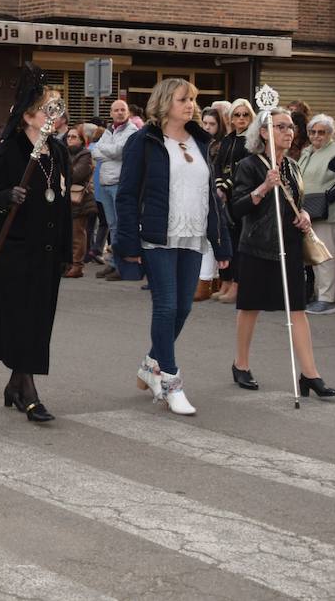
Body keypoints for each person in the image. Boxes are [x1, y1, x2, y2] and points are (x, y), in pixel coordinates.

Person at [114, 79, 230, 415]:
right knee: (165, 306)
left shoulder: (200, 141)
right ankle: (170, 381)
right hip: (157, 235)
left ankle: (152, 364)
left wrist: (222, 245)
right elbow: (126, 194)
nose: (190, 105)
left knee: (184, 308)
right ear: (165, 103)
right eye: (183, 99)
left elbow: (211, 196)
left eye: (193, 99)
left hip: (192, 235)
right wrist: (128, 242)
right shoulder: (143, 141)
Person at [0, 71, 70, 422]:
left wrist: (66, 251)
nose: (53, 117)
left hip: (46, 252)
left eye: (57, 110)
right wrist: (8, 196)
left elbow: (63, 203)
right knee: (20, 321)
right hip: (14, 253)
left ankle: (14, 384)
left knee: (38, 323)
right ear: (27, 115)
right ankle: (28, 391)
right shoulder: (8, 151)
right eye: (47, 110)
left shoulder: (57, 151)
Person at [229, 108, 335, 397]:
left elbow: (297, 202)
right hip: (257, 246)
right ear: (263, 132)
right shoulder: (249, 165)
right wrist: (264, 187)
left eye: (290, 127)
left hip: (288, 245)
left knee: (298, 309)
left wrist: (304, 214)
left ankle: (310, 374)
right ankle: (241, 364)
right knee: (250, 307)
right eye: (280, 127)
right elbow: (236, 208)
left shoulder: (293, 166)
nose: (289, 132)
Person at [299, 114, 335, 315]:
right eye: (313, 132)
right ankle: (320, 295)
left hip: (328, 213)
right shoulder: (308, 152)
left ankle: (327, 299)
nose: (316, 136)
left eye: (321, 132)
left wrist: (328, 198)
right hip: (309, 211)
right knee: (314, 256)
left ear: (330, 134)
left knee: (325, 257)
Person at [210, 98, 253, 303]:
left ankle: (238, 284)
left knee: (238, 242)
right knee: (225, 238)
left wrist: (226, 186)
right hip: (224, 195)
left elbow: (244, 167)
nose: (241, 118)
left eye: (245, 114)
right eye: (237, 115)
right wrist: (219, 185)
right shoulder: (228, 139)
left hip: (241, 194)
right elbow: (218, 164)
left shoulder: (252, 141)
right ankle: (225, 281)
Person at [90, 99, 138, 280]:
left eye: (122, 110)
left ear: (128, 112)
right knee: (112, 226)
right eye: (116, 110)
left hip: (120, 183)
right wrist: (104, 150)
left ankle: (122, 266)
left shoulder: (132, 131)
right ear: (110, 113)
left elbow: (120, 152)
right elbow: (94, 151)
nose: (119, 112)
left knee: (122, 225)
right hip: (105, 183)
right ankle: (114, 263)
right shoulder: (109, 130)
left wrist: (103, 150)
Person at [196, 107, 227, 299]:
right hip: (201, 193)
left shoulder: (221, 145)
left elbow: (222, 171)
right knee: (206, 238)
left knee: (210, 237)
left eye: (212, 124)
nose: (207, 127)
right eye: (205, 123)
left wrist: (222, 187)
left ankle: (205, 282)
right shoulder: (200, 142)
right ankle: (213, 280)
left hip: (217, 195)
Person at [63, 123, 95, 279]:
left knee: (77, 233)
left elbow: (76, 174)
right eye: (68, 136)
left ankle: (77, 266)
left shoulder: (85, 154)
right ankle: (68, 264)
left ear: (82, 140)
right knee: (68, 233)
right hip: (65, 198)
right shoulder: (64, 153)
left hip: (79, 199)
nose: (70, 139)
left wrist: (62, 170)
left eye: (74, 136)